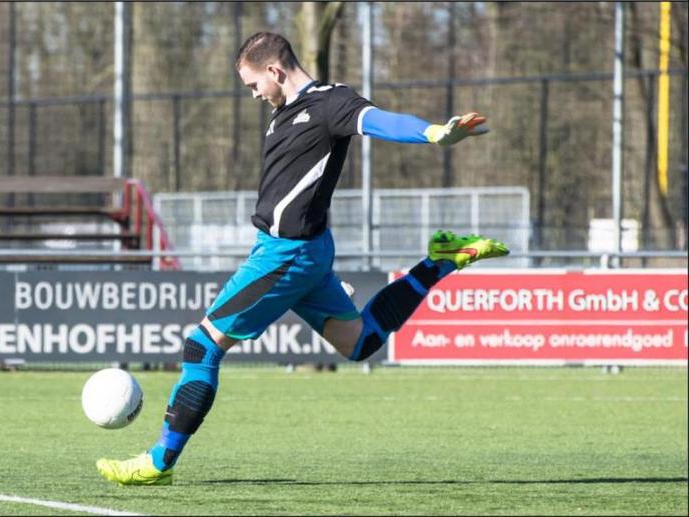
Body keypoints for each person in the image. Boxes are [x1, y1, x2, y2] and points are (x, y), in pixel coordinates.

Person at [97, 32, 508, 486]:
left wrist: (432, 132)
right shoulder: (281, 117)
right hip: (298, 251)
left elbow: (378, 121)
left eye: (254, 84)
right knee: (359, 343)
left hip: (287, 255)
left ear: (274, 70)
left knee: (202, 347)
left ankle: (159, 462)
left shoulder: (331, 104)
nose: (254, 94)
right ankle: (440, 261)